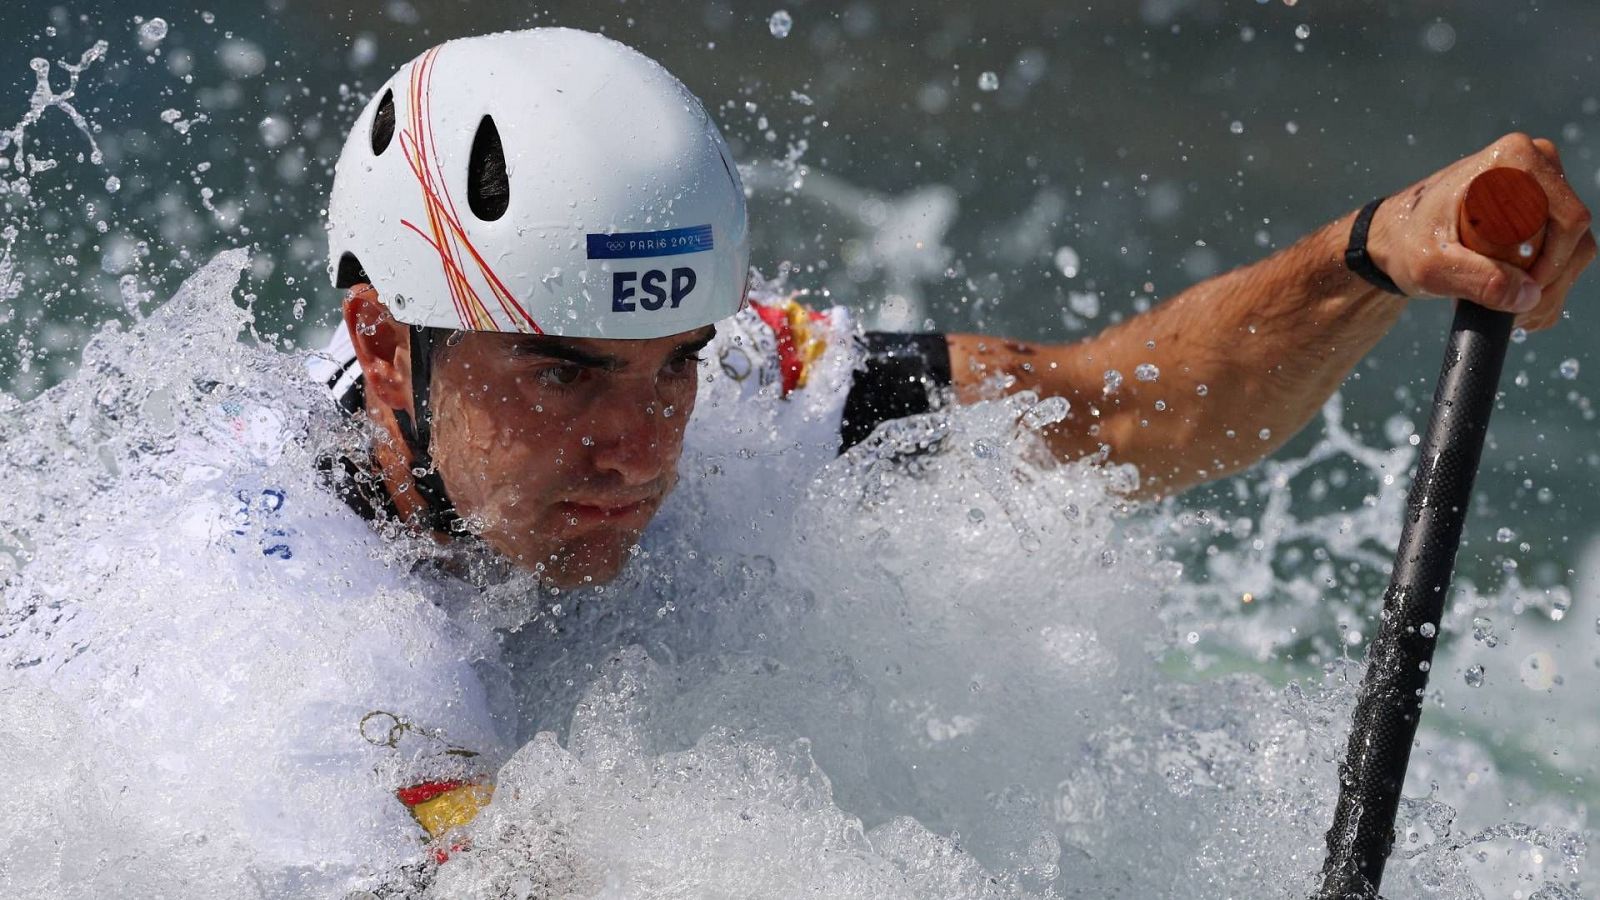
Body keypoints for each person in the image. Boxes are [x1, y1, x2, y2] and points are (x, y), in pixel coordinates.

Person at [7, 25, 1592, 892]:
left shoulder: (737, 372)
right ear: (379, 342)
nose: (641, 443)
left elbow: (1111, 415)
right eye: (566, 375)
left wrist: (1376, 252)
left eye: (672, 368)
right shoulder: (278, 672)